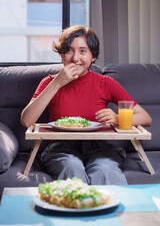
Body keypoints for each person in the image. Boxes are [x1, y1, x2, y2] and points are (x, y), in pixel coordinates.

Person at [21, 25, 152, 185]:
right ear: (61, 54)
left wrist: (117, 118)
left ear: (93, 56)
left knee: (105, 169)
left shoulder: (105, 83)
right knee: (72, 167)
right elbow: (27, 121)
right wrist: (57, 84)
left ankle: (111, 209)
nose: (76, 58)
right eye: (69, 50)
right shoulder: (50, 82)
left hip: (99, 148)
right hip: (60, 148)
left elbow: (145, 118)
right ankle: (77, 208)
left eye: (83, 51)